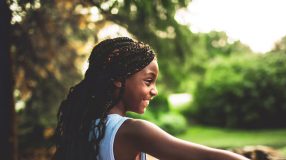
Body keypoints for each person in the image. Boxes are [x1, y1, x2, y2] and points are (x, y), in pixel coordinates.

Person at [54, 37, 249, 160]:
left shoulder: (85, 128)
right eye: (148, 81)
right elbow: (207, 157)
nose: (154, 91)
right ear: (118, 80)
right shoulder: (133, 131)